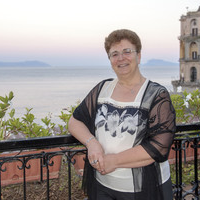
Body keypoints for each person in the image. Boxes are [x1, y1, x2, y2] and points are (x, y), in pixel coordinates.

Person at [68, 29, 176, 200]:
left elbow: (159, 147)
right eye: (114, 54)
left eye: (127, 52)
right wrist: (92, 143)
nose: (121, 58)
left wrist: (115, 161)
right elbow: (75, 121)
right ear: (110, 60)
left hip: (145, 189)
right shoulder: (102, 89)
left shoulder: (156, 94)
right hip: (103, 185)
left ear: (138, 56)